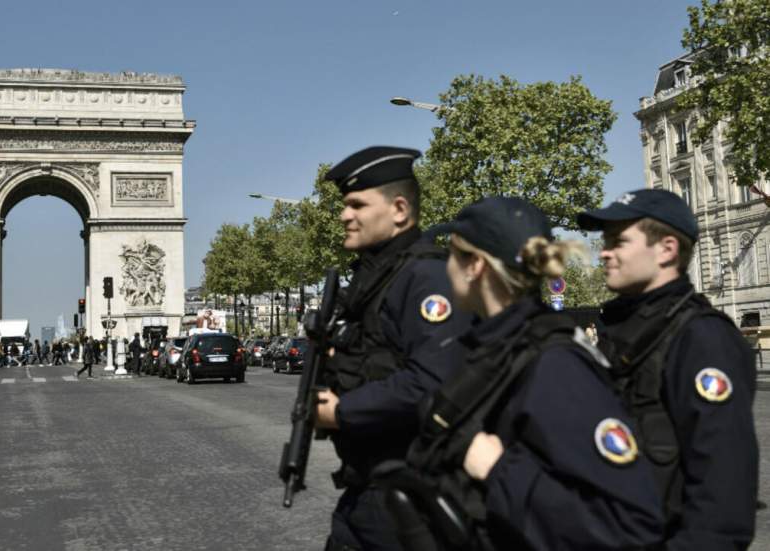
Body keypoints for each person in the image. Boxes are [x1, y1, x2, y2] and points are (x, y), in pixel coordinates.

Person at [386, 197, 665, 549]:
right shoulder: (491, 346)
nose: (445, 268)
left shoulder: (555, 364)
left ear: (475, 266)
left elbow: (630, 525)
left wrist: (498, 470)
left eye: (452, 255)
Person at [310, 146, 472, 551]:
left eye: (357, 205)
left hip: (413, 494)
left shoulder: (428, 278)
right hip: (367, 489)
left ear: (399, 210)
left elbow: (436, 381)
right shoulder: (374, 280)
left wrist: (342, 411)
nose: (345, 215)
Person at [578, 189, 758, 549]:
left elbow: (722, 503)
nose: (605, 253)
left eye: (619, 241)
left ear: (667, 250)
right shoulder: (625, 327)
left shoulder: (702, 337)